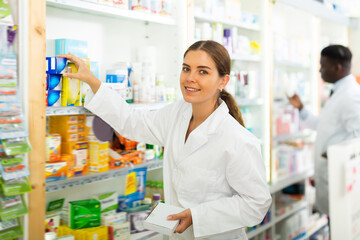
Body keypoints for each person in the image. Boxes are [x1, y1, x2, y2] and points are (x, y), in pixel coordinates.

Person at [59, 40, 272, 240]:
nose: (190, 78)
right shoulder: (176, 114)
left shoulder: (237, 139)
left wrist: (197, 216)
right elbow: (132, 122)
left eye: (203, 72)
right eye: (186, 68)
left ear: (223, 81)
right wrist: (93, 82)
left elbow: (256, 204)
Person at [289, 45, 360, 216]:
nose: (320, 70)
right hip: (332, 176)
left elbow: (358, 136)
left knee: (340, 226)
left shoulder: (351, 95)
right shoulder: (339, 92)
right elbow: (326, 126)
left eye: (323, 65)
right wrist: (301, 109)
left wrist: (335, 153)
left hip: (340, 177)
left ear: (337, 67)